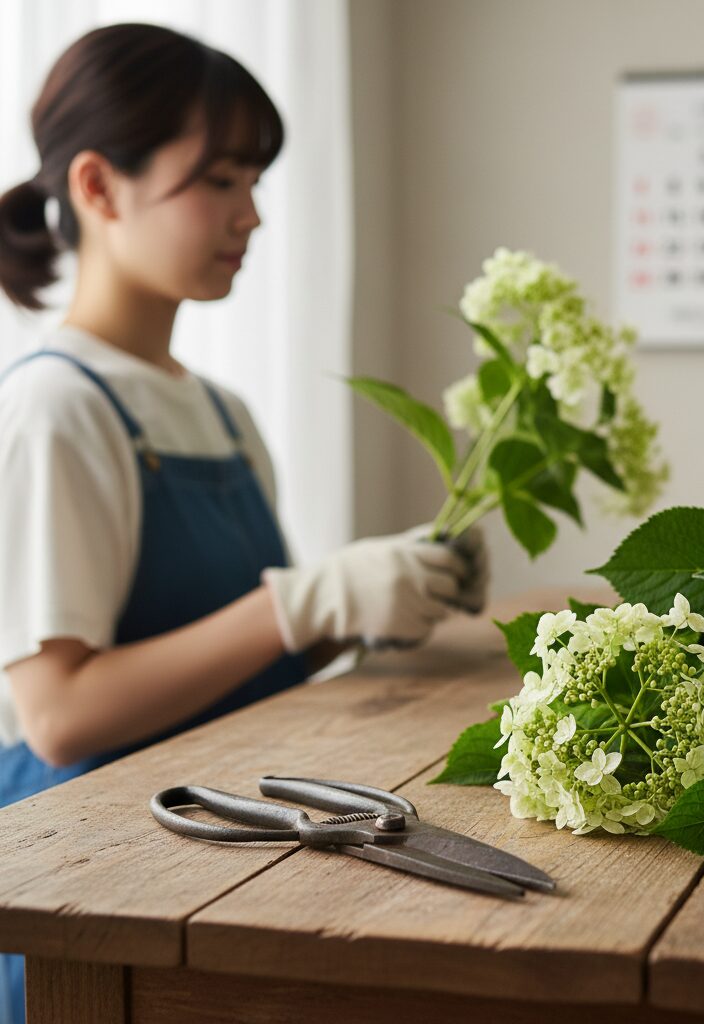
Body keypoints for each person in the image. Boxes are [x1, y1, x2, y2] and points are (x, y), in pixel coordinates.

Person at [0, 23, 488, 1024]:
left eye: (254, 179)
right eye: (217, 180)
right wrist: (308, 600)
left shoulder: (220, 410)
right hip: (83, 891)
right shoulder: (57, 407)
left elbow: (242, 663)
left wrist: (371, 608)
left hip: (217, 854)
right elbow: (60, 715)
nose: (252, 214)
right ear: (98, 187)